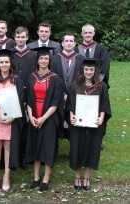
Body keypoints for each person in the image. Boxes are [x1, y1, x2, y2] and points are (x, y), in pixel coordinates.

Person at [67, 58, 111, 190]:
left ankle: (86, 178)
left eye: (91, 69)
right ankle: (77, 178)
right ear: (82, 70)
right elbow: (69, 104)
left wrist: (102, 117)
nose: (88, 72)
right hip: (78, 124)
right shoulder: (75, 86)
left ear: (95, 71)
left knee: (91, 149)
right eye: (86, 69)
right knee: (77, 149)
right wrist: (71, 115)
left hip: (94, 124)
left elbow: (104, 104)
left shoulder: (101, 86)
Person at [25, 47, 64, 192]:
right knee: (35, 146)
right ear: (37, 60)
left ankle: (46, 178)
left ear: (49, 61)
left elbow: (56, 102)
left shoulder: (55, 79)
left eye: (46, 59)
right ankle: (36, 177)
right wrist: (31, 116)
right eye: (41, 58)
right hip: (34, 116)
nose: (43, 61)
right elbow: (28, 99)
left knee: (47, 148)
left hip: (49, 118)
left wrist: (43, 118)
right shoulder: (31, 77)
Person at [0, 49, 24, 191]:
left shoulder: (17, 80)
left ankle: (7, 174)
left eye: (6, 62)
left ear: (10, 63)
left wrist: (13, 117)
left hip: (11, 118)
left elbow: (21, 100)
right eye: (1, 62)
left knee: (8, 145)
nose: (4, 64)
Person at [51, 33, 84, 139]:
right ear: (62, 43)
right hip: (58, 96)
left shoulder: (81, 59)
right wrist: (63, 94)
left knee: (74, 123)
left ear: (75, 43)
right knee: (57, 122)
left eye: (71, 41)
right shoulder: (54, 59)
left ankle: (74, 150)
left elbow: (83, 79)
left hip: (77, 95)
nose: (69, 43)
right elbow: (53, 79)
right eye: (66, 41)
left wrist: (71, 94)